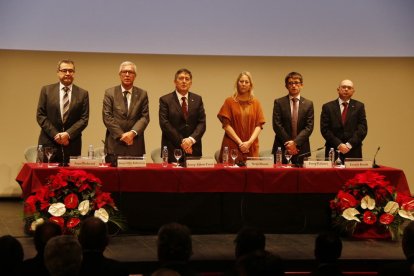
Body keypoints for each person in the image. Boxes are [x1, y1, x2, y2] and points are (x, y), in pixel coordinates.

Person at [36, 59, 89, 166]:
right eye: (64, 70)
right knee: (46, 179)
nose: (68, 73)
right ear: (58, 72)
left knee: (71, 180)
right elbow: (41, 115)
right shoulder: (46, 90)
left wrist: (67, 135)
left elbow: (84, 119)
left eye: (71, 71)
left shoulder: (83, 94)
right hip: (49, 143)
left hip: (72, 144)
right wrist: (56, 135)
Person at [102, 61, 150, 166]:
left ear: (135, 76)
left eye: (130, 72)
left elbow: (145, 117)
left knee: (135, 180)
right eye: (124, 72)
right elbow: (107, 117)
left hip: (135, 145)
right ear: (120, 75)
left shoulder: (142, 94)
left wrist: (132, 133)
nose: (127, 75)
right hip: (115, 145)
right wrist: (122, 135)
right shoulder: (110, 93)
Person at [159, 68, 206, 164]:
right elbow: (165, 124)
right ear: (175, 82)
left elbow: (202, 123)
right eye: (181, 78)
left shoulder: (197, 99)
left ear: (191, 83)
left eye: (187, 79)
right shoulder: (165, 100)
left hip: (193, 149)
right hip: (173, 149)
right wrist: (183, 142)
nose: (184, 81)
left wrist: (190, 140)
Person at [217, 71, 265, 164]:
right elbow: (226, 125)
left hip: (250, 146)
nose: (243, 84)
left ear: (250, 85)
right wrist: (240, 143)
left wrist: (248, 143)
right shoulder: (229, 101)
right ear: (237, 83)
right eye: (241, 81)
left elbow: (259, 125)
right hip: (232, 144)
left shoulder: (256, 102)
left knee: (252, 176)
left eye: (246, 82)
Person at [272, 71, 314, 165]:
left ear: (302, 85)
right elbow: (277, 125)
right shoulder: (279, 102)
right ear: (286, 86)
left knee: (303, 178)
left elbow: (309, 127)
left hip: (302, 148)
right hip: (282, 147)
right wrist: (289, 144)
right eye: (290, 83)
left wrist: (295, 143)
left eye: (296, 83)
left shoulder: (308, 104)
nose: (294, 85)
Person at [320, 79, 367, 162]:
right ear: (338, 90)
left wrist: (349, 145)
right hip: (333, 149)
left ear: (353, 91)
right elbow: (325, 129)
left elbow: (362, 129)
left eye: (349, 88)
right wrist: (339, 145)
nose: (346, 89)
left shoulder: (359, 106)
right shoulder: (328, 107)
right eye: (343, 87)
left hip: (353, 150)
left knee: (354, 175)